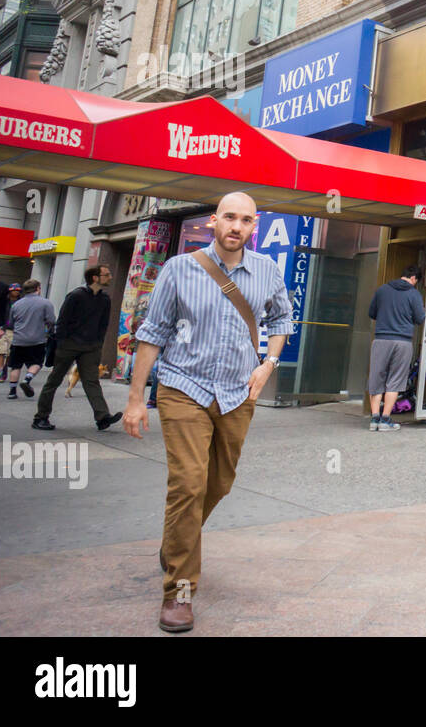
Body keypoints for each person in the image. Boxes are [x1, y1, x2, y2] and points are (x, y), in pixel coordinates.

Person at [123, 192, 292, 634]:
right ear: (215, 221)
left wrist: (268, 365)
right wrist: (137, 398)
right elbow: (153, 333)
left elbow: (282, 321)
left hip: (238, 392)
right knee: (188, 482)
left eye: (246, 221)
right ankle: (178, 591)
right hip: (184, 387)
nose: (237, 227)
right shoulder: (180, 269)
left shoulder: (267, 272)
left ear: (254, 227)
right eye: (230, 218)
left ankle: (176, 540)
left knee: (218, 482)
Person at [33, 264, 119, 431]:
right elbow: (62, 321)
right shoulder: (76, 296)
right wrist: (63, 342)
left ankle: (102, 417)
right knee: (54, 380)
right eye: (107, 275)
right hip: (69, 345)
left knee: (91, 381)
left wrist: (98, 343)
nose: (110, 277)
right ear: (95, 278)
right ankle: (40, 417)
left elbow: (103, 324)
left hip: (91, 347)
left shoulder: (105, 299)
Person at [366, 264, 426, 432]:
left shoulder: (382, 290)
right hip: (403, 342)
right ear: (414, 278)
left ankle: (374, 418)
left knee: (376, 378)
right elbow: (420, 318)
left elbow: (372, 313)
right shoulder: (414, 294)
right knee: (395, 380)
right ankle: (385, 420)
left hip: (381, 340)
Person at [6, 280, 54, 404]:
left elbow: (11, 323)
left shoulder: (16, 304)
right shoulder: (45, 303)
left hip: (18, 340)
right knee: (36, 363)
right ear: (38, 288)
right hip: (36, 340)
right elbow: (51, 320)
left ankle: (12, 391)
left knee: (16, 366)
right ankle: (27, 379)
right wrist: (48, 331)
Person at [0, 282, 21, 382]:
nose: (15, 292)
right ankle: (0, 371)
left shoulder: (21, 303)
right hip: (3, 329)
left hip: (15, 330)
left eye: (18, 291)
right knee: (1, 350)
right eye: (13, 290)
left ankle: (5, 367)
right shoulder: (3, 302)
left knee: (10, 352)